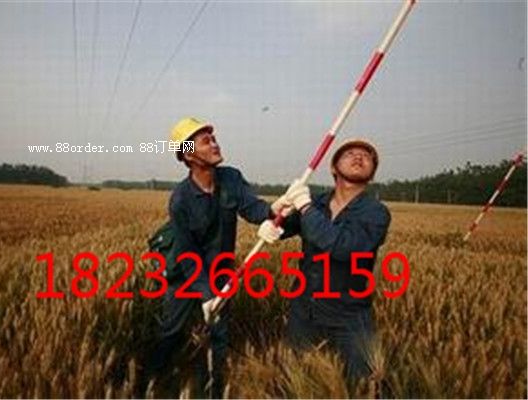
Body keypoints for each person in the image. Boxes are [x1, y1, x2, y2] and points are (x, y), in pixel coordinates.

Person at [138, 117, 288, 398]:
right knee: (171, 333)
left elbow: (252, 208)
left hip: (221, 272)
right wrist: (206, 295)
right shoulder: (180, 199)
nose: (215, 144)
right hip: (185, 275)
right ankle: (147, 385)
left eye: (214, 138)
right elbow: (187, 253)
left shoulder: (231, 177)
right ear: (188, 154)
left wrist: (273, 211)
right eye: (206, 141)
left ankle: (215, 390)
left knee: (219, 337)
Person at [257, 138, 391, 385]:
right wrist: (274, 218)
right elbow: (286, 225)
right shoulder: (317, 202)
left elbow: (342, 246)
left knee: (361, 385)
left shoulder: (376, 213)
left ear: (372, 174)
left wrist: (305, 208)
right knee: (293, 380)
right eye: (350, 153)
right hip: (304, 310)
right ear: (333, 167)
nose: (358, 157)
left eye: (366, 156)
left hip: (349, 315)